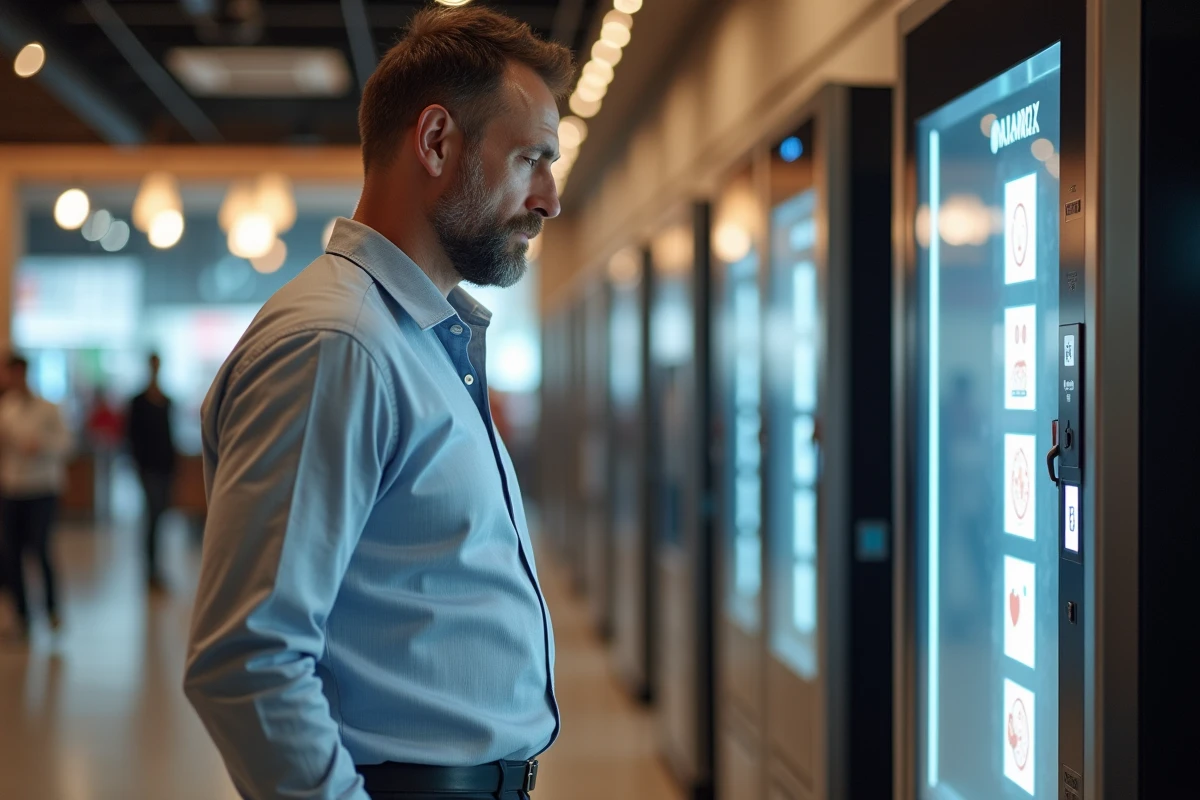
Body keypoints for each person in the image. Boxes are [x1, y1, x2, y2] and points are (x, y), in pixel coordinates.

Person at [183, 7, 572, 800]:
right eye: (530, 158)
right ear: (436, 142)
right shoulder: (338, 344)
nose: (548, 199)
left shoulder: (417, 339)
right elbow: (248, 661)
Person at [0, 355, 72, 639]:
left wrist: (41, 445)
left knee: (40, 549)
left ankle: (52, 609)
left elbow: (66, 442)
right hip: (13, 489)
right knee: (12, 553)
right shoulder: (6, 408)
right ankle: (22, 614)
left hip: (42, 487)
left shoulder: (48, 408)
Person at [127, 353, 176, 591]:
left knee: (159, 517)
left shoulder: (167, 400)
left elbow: (169, 434)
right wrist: (137, 463)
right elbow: (132, 436)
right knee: (152, 516)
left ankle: (155, 568)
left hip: (165, 466)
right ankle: (150, 569)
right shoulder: (138, 401)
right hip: (147, 467)